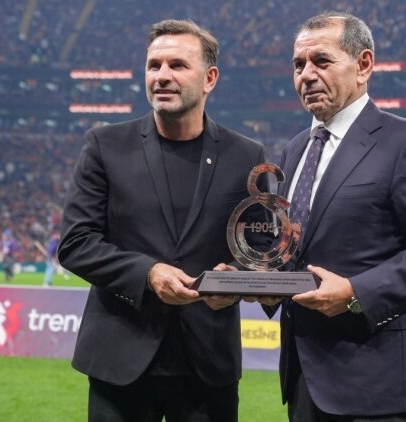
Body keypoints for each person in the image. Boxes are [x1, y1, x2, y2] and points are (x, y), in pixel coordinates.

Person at [57, 19, 267, 422]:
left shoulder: (246, 155)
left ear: (209, 78)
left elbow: (260, 248)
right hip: (120, 361)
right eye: (154, 65)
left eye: (177, 65)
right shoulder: (105, 145)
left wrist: (236, 281)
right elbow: (76, 243)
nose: (162, 76)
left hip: (208, 364)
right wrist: (148, 273)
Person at [264, 12, 406, 421]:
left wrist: (356, 293)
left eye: (322, 61)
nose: (307, 75)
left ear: (364, 65)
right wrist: (261, 281)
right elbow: (296, 245)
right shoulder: (296, 149)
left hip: (381, 381)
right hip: (305, 377)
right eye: (298, 65)